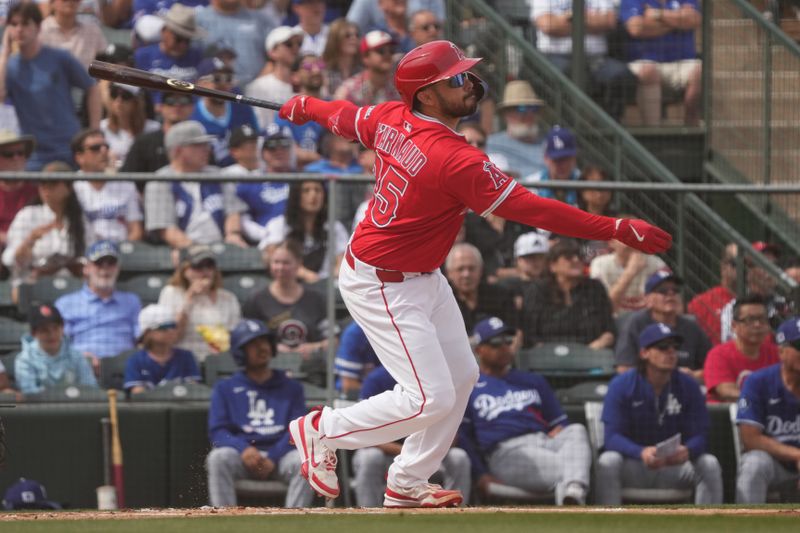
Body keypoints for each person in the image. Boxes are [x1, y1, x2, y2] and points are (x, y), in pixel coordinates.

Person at [277, 39, 670, 506]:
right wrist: (615, 227)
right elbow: (536, 210)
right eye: (457, 78)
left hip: (423, 275)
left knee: (463, 377)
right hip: (380, 281)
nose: (469, 83)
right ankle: (321, 430)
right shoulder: (455, 158)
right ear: (425, 94)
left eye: (466, 74)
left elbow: (342, 115)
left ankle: (406, 481)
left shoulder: (389, 117)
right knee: (428, 398)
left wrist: (307, 105)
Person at [459, 317, 592, 505]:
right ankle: (576, 493)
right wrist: (481, 474)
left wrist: (560, 429)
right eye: (496, 342)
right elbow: (464, 438)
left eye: (508, 341)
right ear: (479, 350)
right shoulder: (470, 388)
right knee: (573, 469)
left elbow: (560, 423)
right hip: (508, 453)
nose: (505, 347)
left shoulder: (532, 380)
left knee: (577, 430)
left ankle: (573, 494)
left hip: (545, 442)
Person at [595, 322, 723, 505]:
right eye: (662, 347)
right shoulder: (622, 385)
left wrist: (688, 450)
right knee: (608, 461)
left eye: (675, 347)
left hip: (675, 466)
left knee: (709, 464)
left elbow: (701, 435)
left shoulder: (689, 385)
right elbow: (612, 437)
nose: (671, 352)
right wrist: (641, 452)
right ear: (644, 353)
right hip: (635, 465)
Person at [206, 319, 314, 508]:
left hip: (281, 458)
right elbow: (218, 431)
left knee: (306, 461)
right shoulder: (225, 388)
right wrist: (243, 449)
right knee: (218, 458)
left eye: (264, 342)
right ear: (240, 351)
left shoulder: (292, 387)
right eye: (253, 344)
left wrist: (273, 456)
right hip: (243, 456)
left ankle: (294, 523)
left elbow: (297, 431)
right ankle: (224, 521)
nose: (261, 348)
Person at [352, 364, 472, 507]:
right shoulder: (377, 378)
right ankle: (368, 514)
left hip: (425, 455)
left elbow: (451, 433)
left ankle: (456, 513)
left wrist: (424, 452)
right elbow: (366, 435)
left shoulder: (436, 377)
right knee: (370, 457)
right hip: (387, 453)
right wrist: (406, 454)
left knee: (459, 457)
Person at [0, 2, 101, 169]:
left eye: (25, 24)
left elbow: (92, 87)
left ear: (38, 27)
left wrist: (95, 130)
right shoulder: (9, 67)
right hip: (34, 155)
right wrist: (5, 54)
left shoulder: (60, 58)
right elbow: (1, 96)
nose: (19, 29)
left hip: (69, 148)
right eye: (14, 24)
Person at [144, 120, 248, 248]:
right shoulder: (159, 181)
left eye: (206, 145)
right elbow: (166, 230)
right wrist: (196, 249)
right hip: (183, 251)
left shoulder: (218, 174)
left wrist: (233, 234)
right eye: (199, 145)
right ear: (178, 150)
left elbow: (233, 212)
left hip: (221, 247)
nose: (207, 150)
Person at [531, 0, 636, 121]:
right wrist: (590, 20)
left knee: (620, 74)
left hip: (596, 59)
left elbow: (609, 21)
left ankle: (609, 127)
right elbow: (548, 26)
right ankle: (569, 125)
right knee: (569, 72)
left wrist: (569, 18)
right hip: (555, 56)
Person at [735, 316, 800, 503]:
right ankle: (746, 526)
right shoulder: (758, 382)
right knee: (754, 463)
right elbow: (750, 439)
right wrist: (797, 455)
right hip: (775, 464)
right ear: (781, 351)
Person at [55, 240, 142, 367]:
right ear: (87, 268)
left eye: (111, 263)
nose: (105, 269)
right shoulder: (66, 303)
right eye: (99, 263)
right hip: (81, 368)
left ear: (118, 268)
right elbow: (59, 345)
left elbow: (141, 340)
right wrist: (80, 357)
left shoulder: (132, 301)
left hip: (124, 368)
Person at [615, 270, 710, 380]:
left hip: (684, 389)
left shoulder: (691, 327)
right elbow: (624, 368)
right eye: (663, 291)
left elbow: (712, 367)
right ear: (647, 299)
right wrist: (666, 375)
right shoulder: (636, 323)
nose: (670, 294)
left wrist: (693, 375)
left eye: (675, 290)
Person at [521, 238, 616, 349]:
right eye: (568, 257)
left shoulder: (595, 288)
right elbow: (528, 331)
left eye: (579, 257)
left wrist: (591, 350)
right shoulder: (538, 290)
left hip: (590, 354)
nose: (576, 260)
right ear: (553, 266)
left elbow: (609, 330)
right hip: (546, 356)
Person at [620, 0, 702, 126]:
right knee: (648, 71)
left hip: (682, 62)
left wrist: (658, 15)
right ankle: (654, 130)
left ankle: (691, 124)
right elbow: (636, 28)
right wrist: (678, 19)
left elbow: (694, 19)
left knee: (700, 70)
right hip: (644, 62)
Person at [1, 179, 88, 298]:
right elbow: (10, 260)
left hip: (72, 284)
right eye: (42, 184)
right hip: (33, 282)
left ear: (68, 188)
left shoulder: (79, 218)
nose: (45, 188)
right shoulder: (28, 214)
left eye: (52, 183)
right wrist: (30, 240)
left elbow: (90, 256)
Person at [242, 239, 328, 357]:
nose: (280, 267)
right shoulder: (256, 300)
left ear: (298, 264)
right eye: (276, 262)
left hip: (311, 366)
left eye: (286, 263)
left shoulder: (316, 299)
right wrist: (272, 348)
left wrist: (313, 347)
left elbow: (333, 340)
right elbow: (247, 339)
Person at [158, 244, 242, 363]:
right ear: (185, 270)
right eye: (198, 266)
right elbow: (171, 337)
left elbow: (235, 337)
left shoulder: (228, 297)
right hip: (183, 360)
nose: (205, 271)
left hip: (217, 360)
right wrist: (189, 298)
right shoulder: (171, 293)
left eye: (209, 266)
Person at [258, 180, 348, 282]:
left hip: (325, 286)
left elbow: (342, 263)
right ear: (296, 195)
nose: (313, 195)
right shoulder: (278, 225)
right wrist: (305, 275)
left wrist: (326, 280)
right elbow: (271, 256)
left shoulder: (335, 227)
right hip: (288, 283)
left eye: (318, 190)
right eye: (306, 191)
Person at [71, 129, 144, 243]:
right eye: (95, 148)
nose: (103, 151)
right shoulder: (72, 186)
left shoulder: (125, 184)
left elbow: (136, 230)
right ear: (79, 157)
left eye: (106, 147)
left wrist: (123, 254)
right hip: (85, 252)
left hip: (120, 253)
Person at [703, 295, 779, 403]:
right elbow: (726, 391)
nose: (757, 325)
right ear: (734, 325)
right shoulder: (718, 355)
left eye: (762, 319)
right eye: (750, 320)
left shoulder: (776, 353)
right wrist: (765, 400)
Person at [14, 303, 98, 395]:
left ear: (62, 329)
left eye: (56, 328)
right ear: (34, 333)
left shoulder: (76, 356)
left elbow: (90, 388)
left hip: (75, 406)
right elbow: (29, 394)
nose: (52, 335)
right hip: (39, 408)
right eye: (44, 330)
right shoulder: (25, 359)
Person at [445, 243, 520, 344]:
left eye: (471, 268)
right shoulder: (441, 303)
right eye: (460, 269)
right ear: (449, 273)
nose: (466, 274)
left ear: (481, 270)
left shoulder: (500, 296)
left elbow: (515, 331)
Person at [191, 56, 259, 167]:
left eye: (228, 79)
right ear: (200, 84)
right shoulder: (191, 114)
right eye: (217, 79)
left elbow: (256, 141)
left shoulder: (242, 108)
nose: (223, 85)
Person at [231, 124, 294, 244]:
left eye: (284, 144)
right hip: (265, 242)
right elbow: (243, 218)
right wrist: (264, 234)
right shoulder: (250, 183)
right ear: (262, 151)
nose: (279, 151)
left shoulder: (305, 180)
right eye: (272, 146)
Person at [590, 223, 667, 316]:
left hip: (647, 323)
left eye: (638, 236)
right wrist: (630, 272)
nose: (633, 241)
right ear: (611, 242)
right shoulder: (600, 264)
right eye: (627, 236)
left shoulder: (657, 264)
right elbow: (603, 308)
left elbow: (667, 306)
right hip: (612, 322)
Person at [196, 0, 276, 87]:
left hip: (255, 92)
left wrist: (258, 84)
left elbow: (276, 57)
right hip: (212, 93)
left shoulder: (262, 20)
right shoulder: (198, 20)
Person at [124, 304, 201, 394]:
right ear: (148, 332)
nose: (171, 331)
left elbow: (193, 390)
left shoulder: (186, 357)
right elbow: (138, 393)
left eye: (173, 326)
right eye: (164, 327)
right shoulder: (136, 360)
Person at [121, 91, 196, 175]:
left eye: (183, 101)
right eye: (170, 101)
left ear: (192, 107)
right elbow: (126, 179)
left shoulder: (200, 143)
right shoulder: (143, 143)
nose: (177, 105)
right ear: (161, 107)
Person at [246, 26, 304, 129]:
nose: (295, 48)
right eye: (289, 44)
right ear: (272, 52)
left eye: (299, 44)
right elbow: (259, 125)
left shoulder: (305, 84)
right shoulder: (259, 86)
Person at [485, 80, 545, 179]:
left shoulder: (550, 144)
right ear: (506, 114)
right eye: (522, 108)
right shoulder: (490, 144)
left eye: (533, 108)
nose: (529, 114)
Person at [133, 4, 205, 85]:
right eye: (178, 39)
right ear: (164, 32)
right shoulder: (142, 56)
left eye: (187, 40)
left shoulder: (197, 56)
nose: (183, 45)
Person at [687, 243, 740, 345]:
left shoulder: (757, 301)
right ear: (723, 267)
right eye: (736, 263)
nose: (742, 269)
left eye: (746, 264)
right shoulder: (702, 302)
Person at [100, 83, 161, 169]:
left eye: (125, 96)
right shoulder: (102, 127)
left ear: (136, 102)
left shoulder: (153, 128)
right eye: (114, 95)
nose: (119, 100)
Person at [333, 30, 401, 106]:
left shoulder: (400, 89)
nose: (387, 54)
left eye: (391, 50)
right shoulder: (349, 91)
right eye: (381, 51)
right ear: (365, 57)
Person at [0, 131, 38, 261]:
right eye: (8, 154)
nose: (16, 158)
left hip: (29, 253)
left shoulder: (38, 191)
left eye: (20, 153)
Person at [39, 0, 108, 68]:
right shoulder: (40, 31)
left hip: (86, 78)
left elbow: (107, 63)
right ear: (52, 3)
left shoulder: (93, 31)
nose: (70, 1)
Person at [524, 126, 581, 207]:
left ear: (574, 158)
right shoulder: (530, 185)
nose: (562, 165)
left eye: (566, 159)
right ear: (546, 158)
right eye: (556, 160)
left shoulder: (584, 180)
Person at [334, 320, 380, 395]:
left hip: (387, 396)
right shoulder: (355, 333)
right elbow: (348, 384)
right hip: (355, 399)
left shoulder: (396, 330)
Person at [321, 18, 361, 96]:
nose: (354, 38)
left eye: (357, 35)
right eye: (347, 35)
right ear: (335, 39)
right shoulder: (324, 71)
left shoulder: (363, 70)